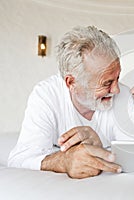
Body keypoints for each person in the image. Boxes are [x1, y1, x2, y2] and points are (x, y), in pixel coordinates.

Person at [8, 26, 127, 179]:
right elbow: (20, 159)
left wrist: (101, 150)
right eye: (107, 83)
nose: (116, 90)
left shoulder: (125, 95)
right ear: (71, 83)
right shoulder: (46, 95)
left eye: (118, 77)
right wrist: (64, 160)